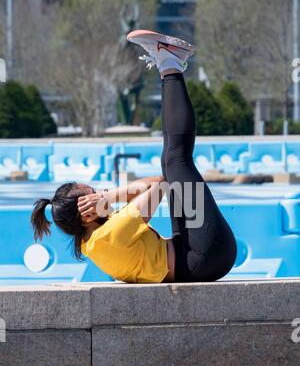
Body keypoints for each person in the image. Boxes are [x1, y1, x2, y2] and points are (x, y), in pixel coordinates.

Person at [31, 29, 237, 284]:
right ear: (87, 215)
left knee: (170, 161)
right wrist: (109, 197)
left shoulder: (93, 240)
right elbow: (161, 184)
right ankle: (170, 62)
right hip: (205, 256)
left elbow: (155, 182)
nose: (100, 193)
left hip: (189, 251)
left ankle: (169, 64)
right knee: (175, 162)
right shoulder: (109, 235)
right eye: (94, 193)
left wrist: (107, 198)